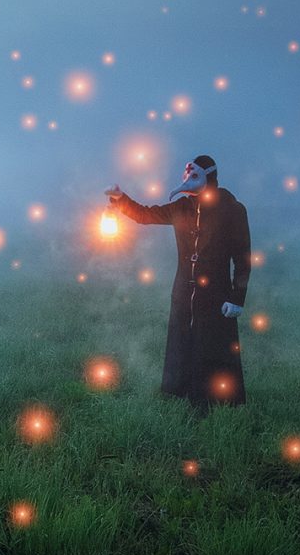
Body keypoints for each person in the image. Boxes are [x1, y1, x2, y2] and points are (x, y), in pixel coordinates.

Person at [106, 154, 252, 411]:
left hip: (217, 293)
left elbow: (242, 257)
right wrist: (121, 200)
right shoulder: (181, 208)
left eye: (194, 176)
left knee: (213, 344)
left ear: (209, 178)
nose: (186, 180)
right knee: (182, 341)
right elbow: (144, 214)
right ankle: (179, 392)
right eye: (186, 175)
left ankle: (216, 401)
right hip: (183, 291)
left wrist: (236, 298)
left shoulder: (232, 209)